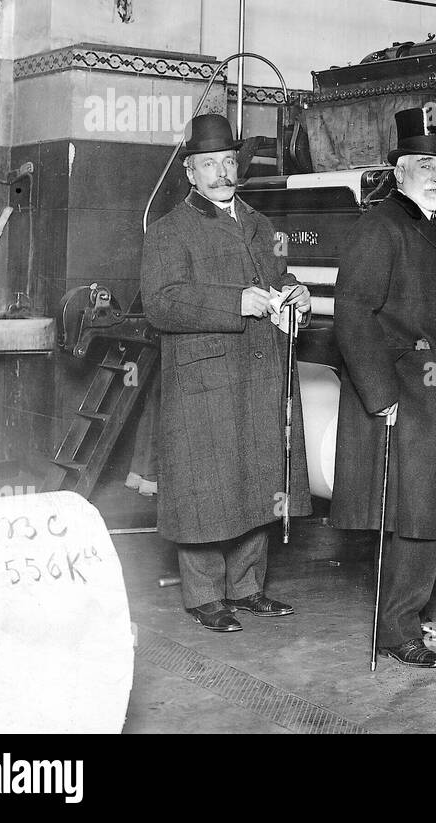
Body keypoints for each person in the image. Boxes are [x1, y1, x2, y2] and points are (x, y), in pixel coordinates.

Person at [141, 113, 312, 632]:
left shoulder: (261, 225)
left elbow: (278, 276)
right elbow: (162, 304)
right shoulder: (169, 230)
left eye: (228, 162)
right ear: (189, 173)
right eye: (209, 164)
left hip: (260, 371)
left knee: (256, 478)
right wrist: (235, 302)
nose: (221, 173)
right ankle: (203, 596)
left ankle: (247, 588)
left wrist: (297, 291)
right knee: (204, 486)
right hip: (205, 378)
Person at [331, 107, 436, 670]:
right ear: (398, 172)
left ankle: (413, 612)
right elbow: (353, 314)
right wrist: (381, 395)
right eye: (424, 166)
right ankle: (395, 630)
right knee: (412, 516)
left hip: (435, 397)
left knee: (429, 513)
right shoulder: (381, 226)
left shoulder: (424, 226)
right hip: (407, 398)